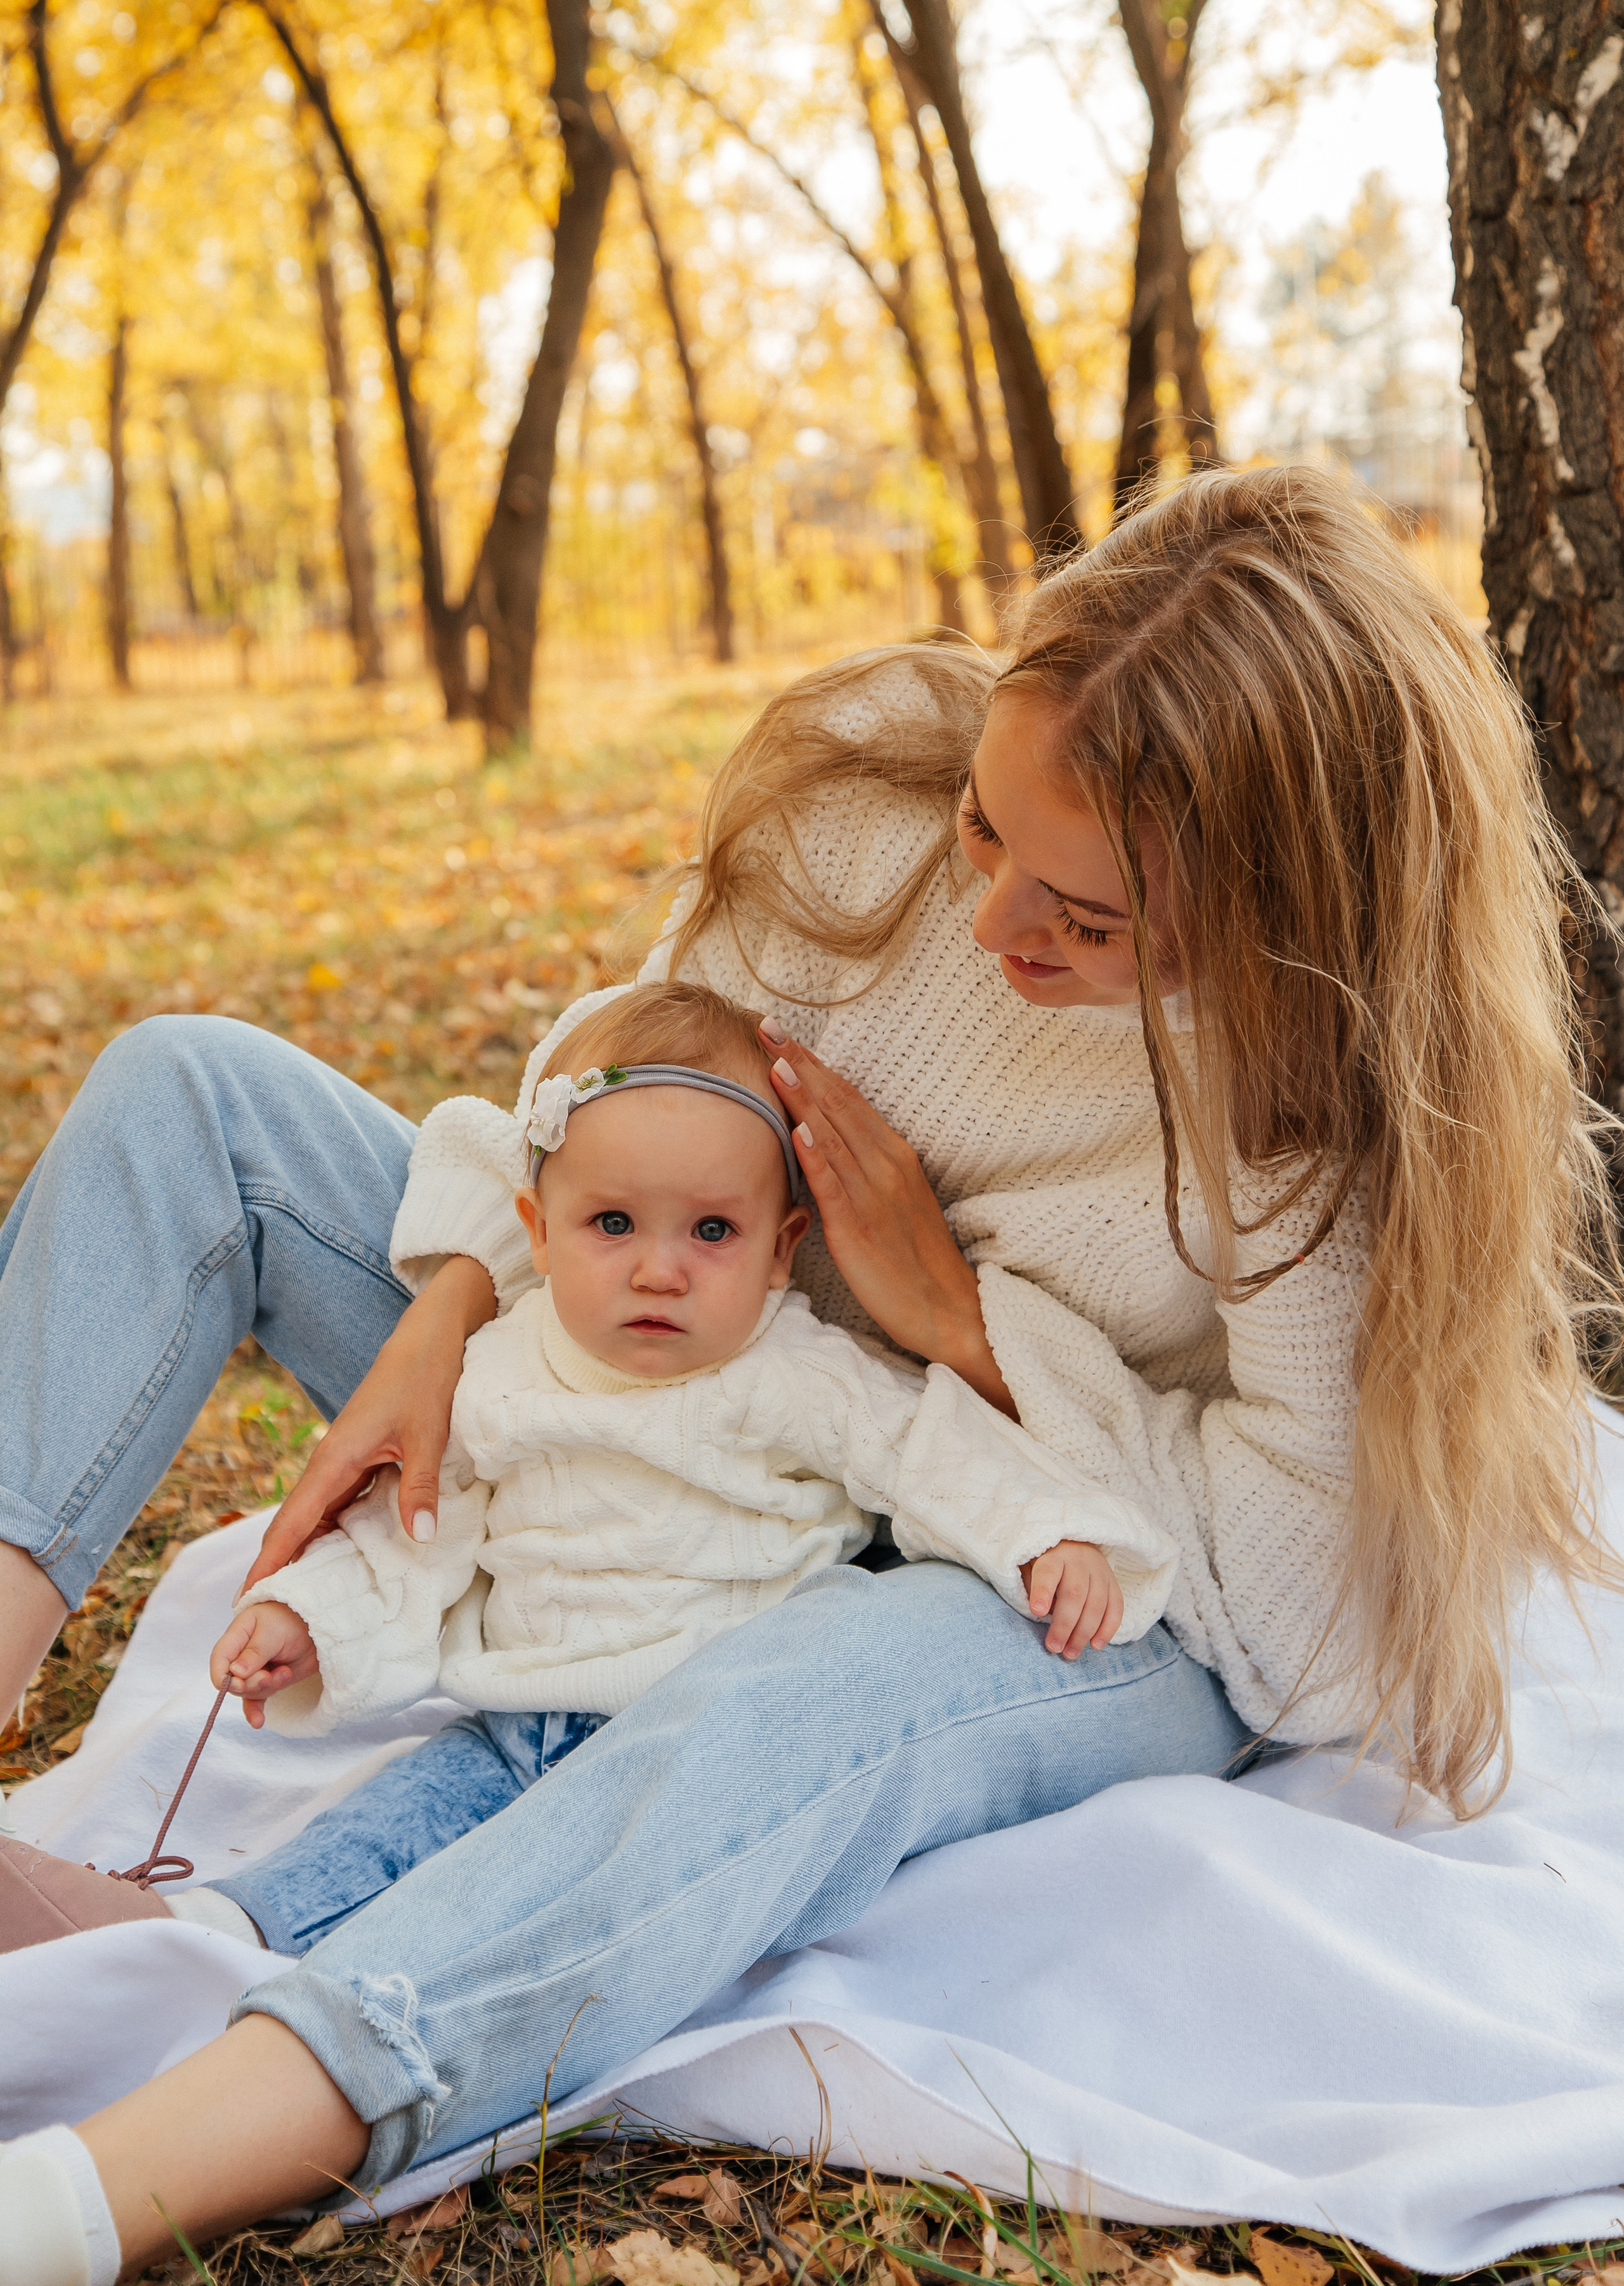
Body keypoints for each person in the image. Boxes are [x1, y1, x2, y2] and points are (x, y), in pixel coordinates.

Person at [0, 466, 1616, 2286]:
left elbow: (1308, 1635)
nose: (999, 931)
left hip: (1033, 1575)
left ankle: (111, 2182)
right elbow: (624, 1076)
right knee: (193, 1098)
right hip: (682, 1379)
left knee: (797, 1698)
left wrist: (962, 1329)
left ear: (1273, 910)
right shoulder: (867, 794)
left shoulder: (1326, 1119)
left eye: (1091, 921)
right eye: (990, 836)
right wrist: (458, 1300)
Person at [0, 985, 1172, 1955]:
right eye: (613, 1226)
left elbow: (936, 1450)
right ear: (537, 1228)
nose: (660, 1271)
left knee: (523, 1882)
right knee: (390, 1831)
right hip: (524, 1718)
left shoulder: (800, 1373)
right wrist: (307, 1616)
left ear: (782, 1252)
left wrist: (1045, 1535)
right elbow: (421, 1530)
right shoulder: (501, 1374)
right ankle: (197, 1935)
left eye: (710, 1233)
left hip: (709, 1728)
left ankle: (256, 1958)